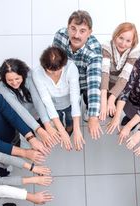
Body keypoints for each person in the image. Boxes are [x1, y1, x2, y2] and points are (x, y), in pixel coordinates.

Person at [53, 10, 103, 140]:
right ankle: (68, 127)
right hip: (67, 78)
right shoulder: (60, 36)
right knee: (69, 106)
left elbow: (93, 85)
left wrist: (93, 116)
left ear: (89, 32)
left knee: (88, 98)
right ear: (68, 27)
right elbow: (55, 59)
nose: (76, 35)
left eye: (82, 31)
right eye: (73, 29)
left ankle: (88, 113)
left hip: (85, 81)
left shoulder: (94, 51)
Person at [0, 58, 60, 148]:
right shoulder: (1, 87)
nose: (14, 83)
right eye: (10, 80)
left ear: (23, 74)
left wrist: (47, 124)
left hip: (35, 111)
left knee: (49, 126)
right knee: (28, 141)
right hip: (20, 117)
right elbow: (19, 110)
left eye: (17, 78)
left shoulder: (29, 75)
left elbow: (37, 100)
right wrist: (39, 130)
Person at [32, 46, 85, 151]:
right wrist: (61, 131)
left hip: (69, 100)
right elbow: (46, 100)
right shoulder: (37, 73)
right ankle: (62, 130)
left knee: (70, 120)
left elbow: (75, 97)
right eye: (50, 71)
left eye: (58, 70)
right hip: (52, 102)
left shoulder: (71, 68)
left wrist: (77, 128)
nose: (55, 73)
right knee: (58, 120)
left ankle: (69, 130)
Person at [99, 22, 140, 121]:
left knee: (114, 102)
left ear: (133, 42)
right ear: (115, 36)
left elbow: (123, 78)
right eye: (121, 38)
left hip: (120, 84)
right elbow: (104, 73)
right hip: (104, 81)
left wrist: (111, 99)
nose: (123, 43)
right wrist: (104, 100)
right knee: (100, 100)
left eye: (128, 41)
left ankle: (111, 108)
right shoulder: (107, 47)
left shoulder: (134, 53)